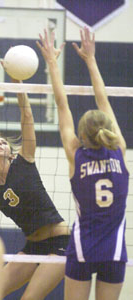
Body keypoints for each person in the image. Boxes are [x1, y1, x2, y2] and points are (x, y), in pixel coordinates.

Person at [37, 27, 129, 300]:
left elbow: (61, 104)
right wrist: (91, 60)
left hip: (82, 248)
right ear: (108, 129)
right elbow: (104, 100)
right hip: (114, 252)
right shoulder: (119, 150)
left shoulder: (75, 154)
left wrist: (52, 62)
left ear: (81, 133)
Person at [0, 66, 70, 299]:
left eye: (3, 143)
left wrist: (18, 85)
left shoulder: (24, 161)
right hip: (32, 247)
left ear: (11, 154)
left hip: (61, 243)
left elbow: (26, 116)